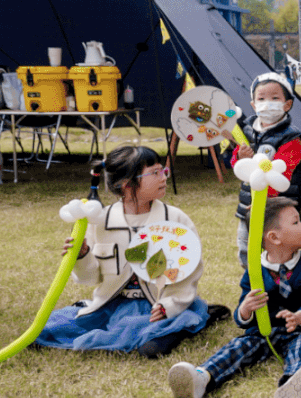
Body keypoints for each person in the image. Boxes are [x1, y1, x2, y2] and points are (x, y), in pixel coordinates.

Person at [37, 146, 222, 358]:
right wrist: (81, 256)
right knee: (47, 332)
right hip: (112, 305)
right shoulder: (100, 221)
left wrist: (168, 306)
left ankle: (187, 321)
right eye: (155, 173)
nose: (164, 177)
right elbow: (90, 278)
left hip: (158, 305)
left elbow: (188, 271)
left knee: (151, 349)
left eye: (163, 171)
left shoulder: (175, 219)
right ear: (126, 184)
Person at [168, 197, 301, 398]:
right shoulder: (255, 270)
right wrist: (245, 310)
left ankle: (293, 382)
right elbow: (241, 312)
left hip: (300, 330)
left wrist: (300, 316)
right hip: (263, 331)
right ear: (274, 237)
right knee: (237, 348)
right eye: (296, 222)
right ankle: (202, 377)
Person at [231, 72, 301, 266]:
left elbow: (282, 174)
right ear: (253, 104)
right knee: (247, 249)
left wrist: (263, 204)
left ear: (287, 104)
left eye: (275, 98)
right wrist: (240, 158)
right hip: (249, 207)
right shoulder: (247, 131)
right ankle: (252, 280)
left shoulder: (292, 138)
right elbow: (237, 164)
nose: (267, 103)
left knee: (280, 253)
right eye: (261, 99)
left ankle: (280, 281)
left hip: (279, 210)